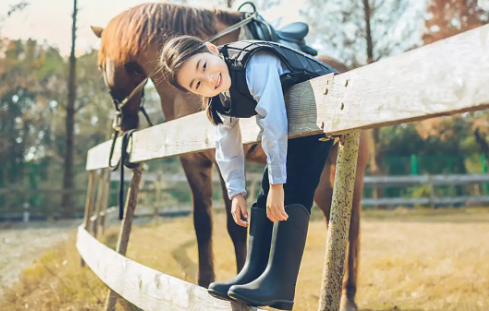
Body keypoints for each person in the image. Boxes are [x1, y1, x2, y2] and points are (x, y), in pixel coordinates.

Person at [160, 36, 336, 310]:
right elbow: (226, 145)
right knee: (263, 197)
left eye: (204, 66)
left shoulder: (255, 63)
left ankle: (280, 285)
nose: (209, 80)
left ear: (212, 49)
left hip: (324, 104)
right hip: (296, 120)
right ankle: (253, 273)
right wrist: (236, 193)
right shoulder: (219, 96)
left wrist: (279, 184)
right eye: (198, 84)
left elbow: (274, 120)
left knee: (292, 187)